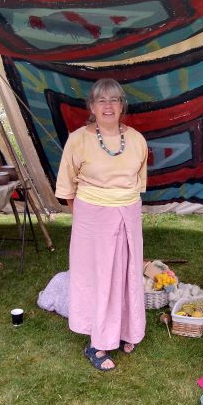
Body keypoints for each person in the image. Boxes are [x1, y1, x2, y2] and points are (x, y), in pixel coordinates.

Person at [55, 78, 148, 370]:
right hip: (91, 216)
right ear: (92, 106)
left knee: (126, 273)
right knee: (98, 277)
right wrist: (87, 215)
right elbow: (67, 187)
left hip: (128, 214)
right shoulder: (78, 139)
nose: (109, 106)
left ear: (123, 105)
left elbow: (138, 183)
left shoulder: (136, 139)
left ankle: (124, 330)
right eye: (102, 100)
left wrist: (122, 208)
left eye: (115, 99)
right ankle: (97, 342)